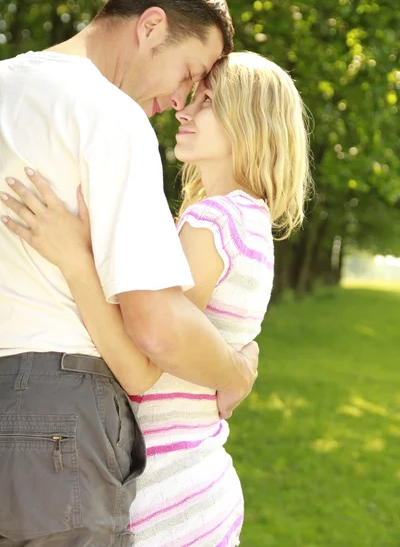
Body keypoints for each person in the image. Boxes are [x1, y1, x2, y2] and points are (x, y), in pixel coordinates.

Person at [1, 51, 312, 546]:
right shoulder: (245, 220)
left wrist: (75, 258)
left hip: (167, 488)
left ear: (249, 123)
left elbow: (140, 364)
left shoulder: (213, 222)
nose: (185, 111)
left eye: (208, 102)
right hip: (197, 478)